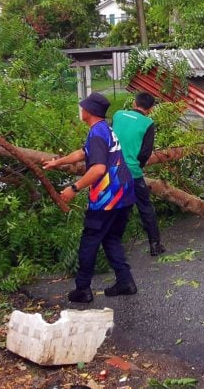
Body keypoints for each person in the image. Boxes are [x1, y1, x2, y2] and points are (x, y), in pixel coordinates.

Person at [43, 92, 137, 303]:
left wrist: (73, 188)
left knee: (90, 241)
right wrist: (58, 162)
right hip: (124, 194)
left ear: (90, 112)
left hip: (107, 198)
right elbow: (83, 153)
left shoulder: (96, 134)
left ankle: (83, 289)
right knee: (111, 237)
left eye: (82, 107)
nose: (81, 110)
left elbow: (98, 169)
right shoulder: (103, 129)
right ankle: (125, 281)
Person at [112, 92, 165, 256]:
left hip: (112, 170)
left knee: (114, 207)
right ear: (150, 109)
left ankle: (113, 246)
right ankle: (155, 245)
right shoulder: (148, 123)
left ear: (134, 103)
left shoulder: (118, 115)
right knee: (145, 208)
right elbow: (145, 152)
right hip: (132, 173)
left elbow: (109, 137)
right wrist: (137, 166)